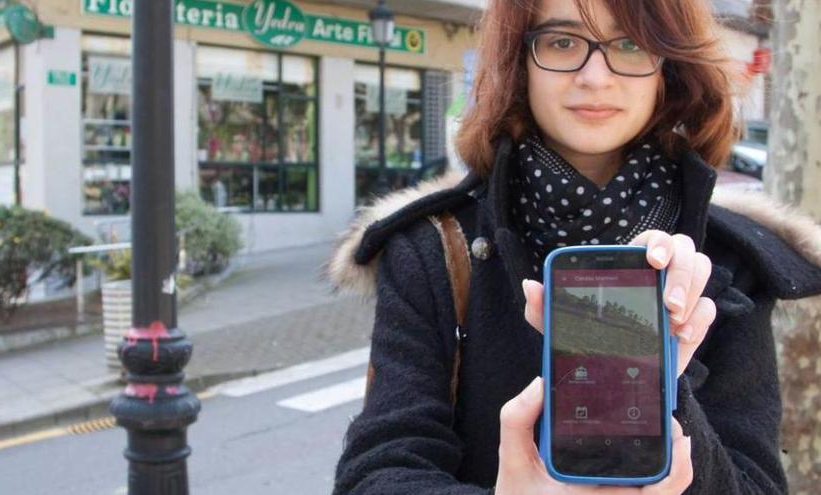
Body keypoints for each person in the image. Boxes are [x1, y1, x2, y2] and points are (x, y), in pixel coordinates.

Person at [325, 0, 821, 494]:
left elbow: (754, 483)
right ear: (517, 64)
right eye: (562, 42)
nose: (595, 76)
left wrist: (665, 380)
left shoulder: (731, 256)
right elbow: (377, 471)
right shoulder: (433, 245)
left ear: (668, 69)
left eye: (630, 44)